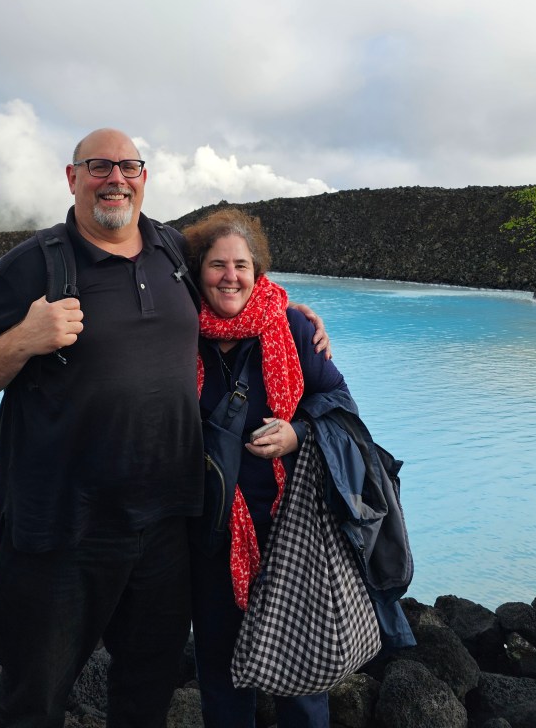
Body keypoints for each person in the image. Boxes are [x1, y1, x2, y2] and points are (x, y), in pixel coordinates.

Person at [0, 127, 329, 728]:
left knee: (145, 689)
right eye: (99, 166)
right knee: (33, 696)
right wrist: (25, 338)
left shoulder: (174, 252)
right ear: (72, 178)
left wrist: (294, 315)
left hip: (165, 526)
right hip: (61, 531)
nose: (115, 179)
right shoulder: (33, 265)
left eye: (128, 166)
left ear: (144, 178)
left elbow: (238, 287)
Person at [183, 207, 351, 728]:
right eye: (216, 265)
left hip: (289, 529)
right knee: (221, 672)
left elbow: (341, 403)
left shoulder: (293, 327)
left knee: (299, 676)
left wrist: (297, 432)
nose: (230, 276)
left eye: (240, 265)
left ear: (258, 271)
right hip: (208, 531)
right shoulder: (173, 329)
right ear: (197, 271)